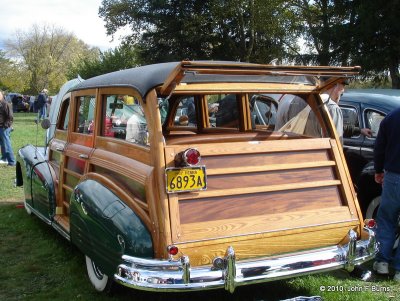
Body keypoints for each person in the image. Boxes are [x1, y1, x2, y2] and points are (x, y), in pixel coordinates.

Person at [372, 107, 400, 282]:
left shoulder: (391, 118)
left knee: (387, 218)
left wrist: (378, 170)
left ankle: (382, 262)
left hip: (394, 176)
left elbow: (379, 147)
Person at [0, 90, 16, 166]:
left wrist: (5, 126)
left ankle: (12, 161)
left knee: (7, 144)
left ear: (1, 95)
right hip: (1, 127)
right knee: (3, 144)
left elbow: (10, 117)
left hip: (4, 127)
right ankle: (4, 158)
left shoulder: (6, 104)